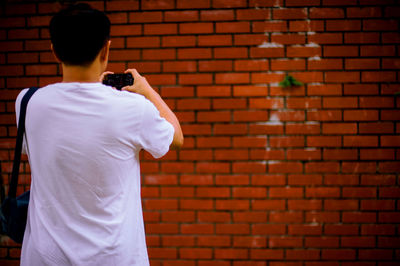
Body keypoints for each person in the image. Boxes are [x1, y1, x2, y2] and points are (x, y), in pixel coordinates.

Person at [16, 3, 183, 265]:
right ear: (106, 49)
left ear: (54, 52)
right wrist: (147, 90)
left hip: (45, 258)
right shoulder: (133, 109)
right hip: (115, 257)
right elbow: (177, 137)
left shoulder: (26, 103)